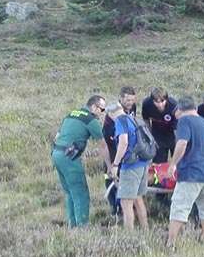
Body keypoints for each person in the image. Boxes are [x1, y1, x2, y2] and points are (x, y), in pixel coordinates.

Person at [166, 96, 204, 246]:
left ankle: (171, 242)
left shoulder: (184, 121)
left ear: (179, 109)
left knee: (179, 207)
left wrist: (172, 165)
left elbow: (182, 143)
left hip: (191, 172)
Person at [51, 95, 110, 227]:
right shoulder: (90, 120)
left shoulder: (71, 114)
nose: (102, 113)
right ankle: (82, 228)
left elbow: (57, 136)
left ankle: (72, 225)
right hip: (69, 157)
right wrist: (110, 166)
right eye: (102, 109)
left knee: (70, 192)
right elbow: (103, 145)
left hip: (56, 154)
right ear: (94, 107)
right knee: (81, 193)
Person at [107, 101, 149, 230]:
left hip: (131, 166)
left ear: (111, 113)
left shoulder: (120, 121)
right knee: (138, 198)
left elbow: (123, 142)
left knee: (126, 201)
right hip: (143, 163)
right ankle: (145, 229)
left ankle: (128, 235)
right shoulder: (134, 119)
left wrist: (115, 164)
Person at [103, 86, 138, 217]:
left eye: (133, 100)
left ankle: (127, 206)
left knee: (126, 179)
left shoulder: (132, 108)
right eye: (128, 100)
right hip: (113, 147)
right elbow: (107, 140)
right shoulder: (113, 113)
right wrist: (111, 163)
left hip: (128, 150)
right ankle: (115, 208)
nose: (130, 103)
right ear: (121, 98)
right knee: (111, 177)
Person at [141, 87, 178, 163]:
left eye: (162, 101)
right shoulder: (147, 104)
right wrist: (149, 135)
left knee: (178, 161)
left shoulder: (173, 105)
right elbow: (146, 120)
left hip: (172, 133)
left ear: (166, 99)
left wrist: (178, 141)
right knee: (159, 162)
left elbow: (177, 128)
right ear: (152, 101)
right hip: (157, 134)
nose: (160, 104)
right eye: (156, 102)